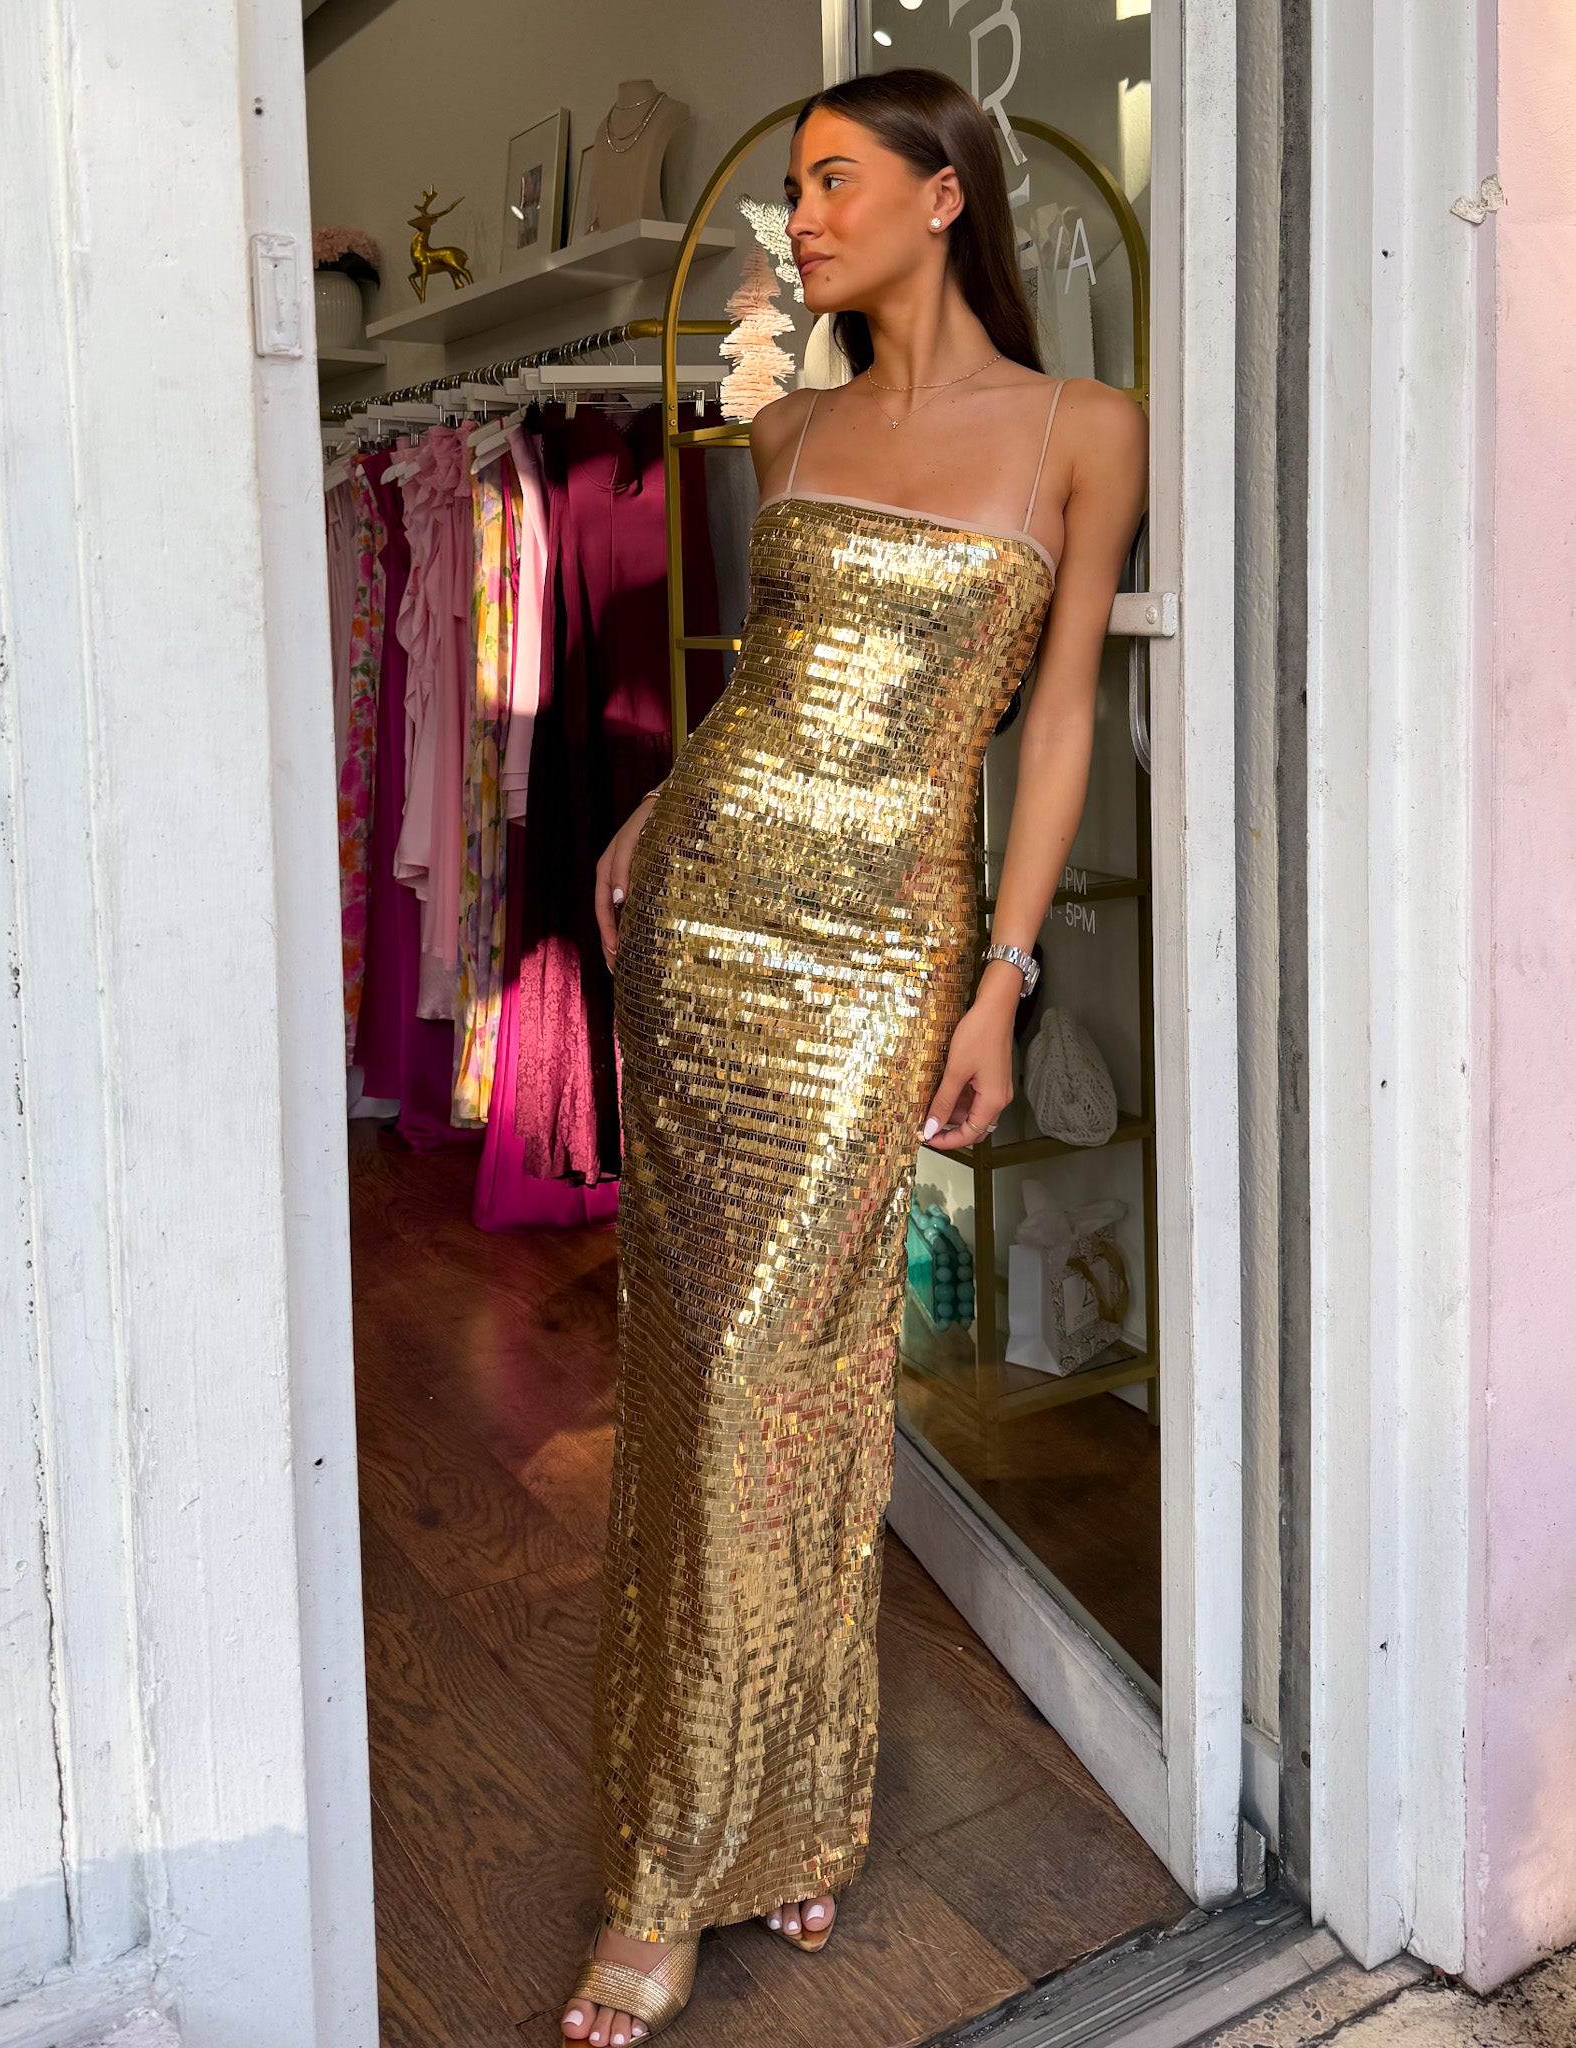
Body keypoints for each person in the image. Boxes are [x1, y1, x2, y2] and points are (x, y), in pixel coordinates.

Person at [561, 66, 1147, 2047]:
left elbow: (1053, 726)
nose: (798, 218)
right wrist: (660, 805)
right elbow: (765, 688)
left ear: (942, 195)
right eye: (795, 188)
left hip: (890, 949)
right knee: (711, 1384)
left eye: (831, 182)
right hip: (707, 928)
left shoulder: (1082, 431)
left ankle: (765, 1802)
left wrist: (1001, 979)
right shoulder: (787, 429)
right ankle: (683, 1857)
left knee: (792, 1383)